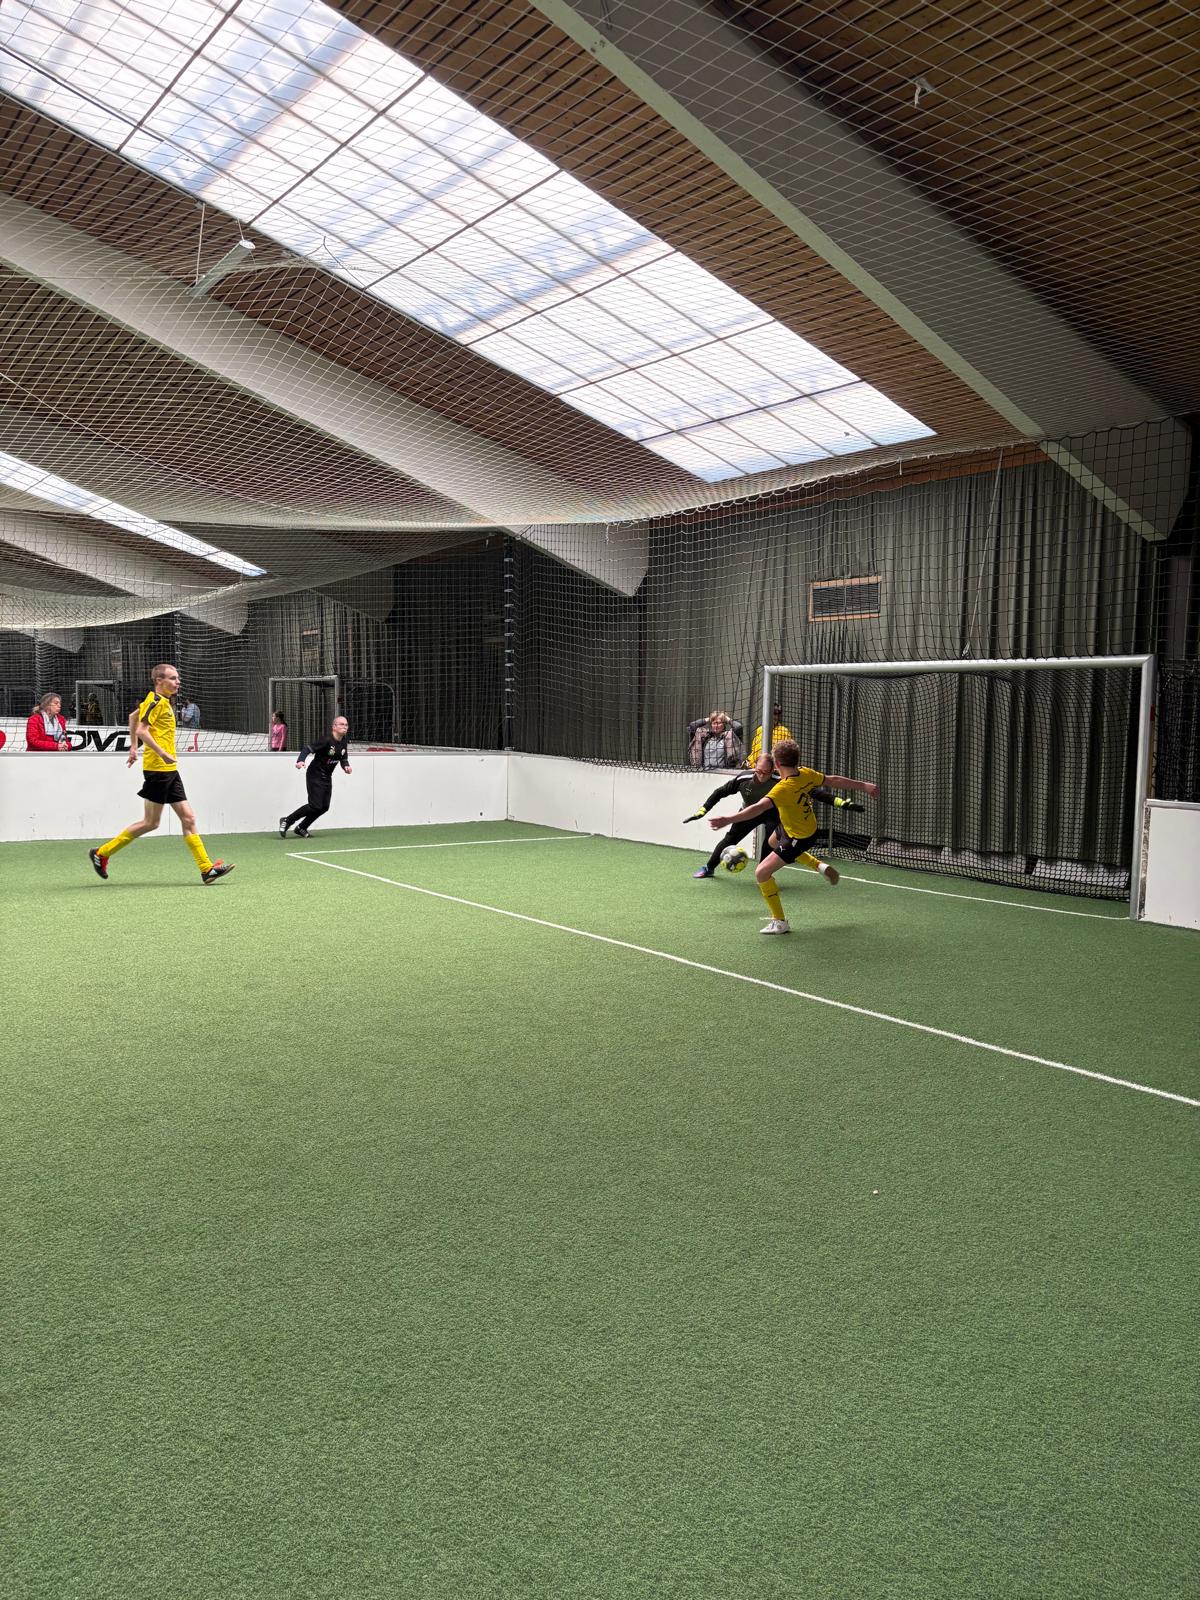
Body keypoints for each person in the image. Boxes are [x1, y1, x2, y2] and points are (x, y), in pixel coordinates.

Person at [708, 738, 878, 934]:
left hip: (799, 837)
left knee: (762, 873)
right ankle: (820, 866)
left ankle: (779, 922)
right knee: (772, 841)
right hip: (801, 827)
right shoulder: (805, 773)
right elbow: (833, 780)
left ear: (777, 765)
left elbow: (757, 808)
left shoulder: (783, 789)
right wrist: (864, 785)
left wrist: (727, 819)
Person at [88, 663, 233, 885]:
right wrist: (161, 752)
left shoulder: (159, 701)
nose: (178, 682)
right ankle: (101, 853)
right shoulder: (156, 702)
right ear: (159, 681)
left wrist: (133, 748)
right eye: (173, 678)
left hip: (169, 770)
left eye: (178, 678)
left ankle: (206, 869)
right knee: (151, 823)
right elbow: (141, 729)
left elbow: (133, 717)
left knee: (188, 818)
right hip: (158, 770)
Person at [685, 752, 864, 878]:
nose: (761, 775)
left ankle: (764, 871)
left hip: (773, 814)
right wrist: (703, 810)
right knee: (729, 839)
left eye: (766, 772)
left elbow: (814, 792)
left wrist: (840, 802)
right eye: (758, 770)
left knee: (770, 841)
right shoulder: (743, 779)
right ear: (754, 766)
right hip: (749, 812)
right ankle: (708, 868)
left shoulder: (781, 781)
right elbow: (719, 792)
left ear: (773, 770)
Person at [279, 715, 352, 838]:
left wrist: (346, 766)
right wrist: (300, 760)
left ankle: (301, 828)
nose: (344, 727)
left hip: (327, 776)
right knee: (315, 805)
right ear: (334, 727)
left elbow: (343, 758)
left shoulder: (344, 741)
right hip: (315, 774)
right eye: (341, 724)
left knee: (324, 807)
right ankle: (287, 820)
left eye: (346, 725)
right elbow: (307, 749)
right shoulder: (326, 740)